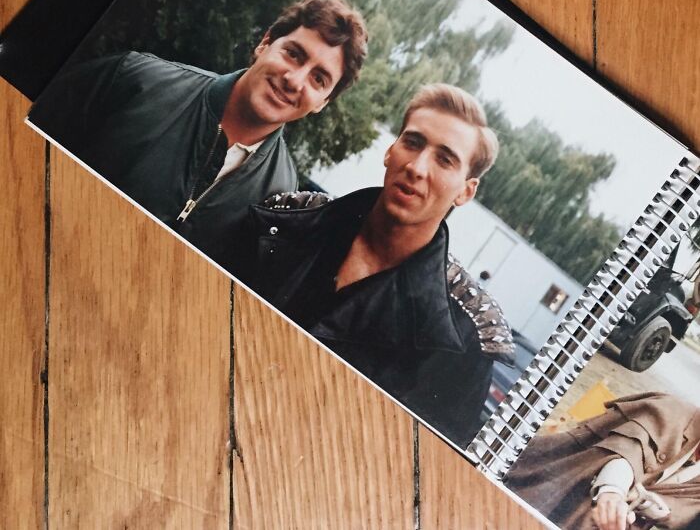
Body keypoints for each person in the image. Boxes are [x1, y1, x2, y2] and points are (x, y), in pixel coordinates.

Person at [229, 83, 515, 447]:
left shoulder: (463, 341)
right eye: (413, 143)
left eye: (445, 160)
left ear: (465, 191)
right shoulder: (284, 223)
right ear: (390, 151)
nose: (417, 167)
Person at [29, 0, 368, 263]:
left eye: (318, 79)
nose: (295, 80)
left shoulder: (279, 195)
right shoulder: (138, 80)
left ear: (323, 102)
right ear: (265, 43)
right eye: (293, 54)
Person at [506, 392, 700, 530]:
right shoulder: (673, 410)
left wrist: (656, 509)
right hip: (551, 486)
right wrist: (612, 492)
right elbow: (629, 449)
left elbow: (689, 512)